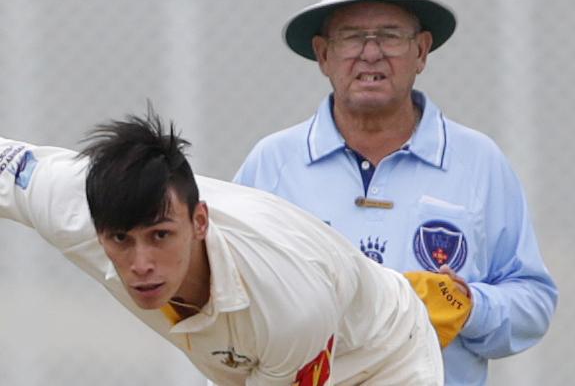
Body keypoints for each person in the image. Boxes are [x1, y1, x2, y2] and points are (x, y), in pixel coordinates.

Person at [234, 0, 558, 386]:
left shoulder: (479, 162)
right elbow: (229, 300)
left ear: (421, 51)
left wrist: (470, 307)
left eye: (390, 36)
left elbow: (534, 302)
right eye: (351, 37)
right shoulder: (272, 164)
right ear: (322, 54)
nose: (371, 54)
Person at [0, 109, 447, 386]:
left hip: (382, 356)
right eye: (121, 239)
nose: (141, 265)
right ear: (97, 231)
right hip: (260, 357)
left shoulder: (287, 304)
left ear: (199, 221)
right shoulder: (64, 199)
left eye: (160, 235)